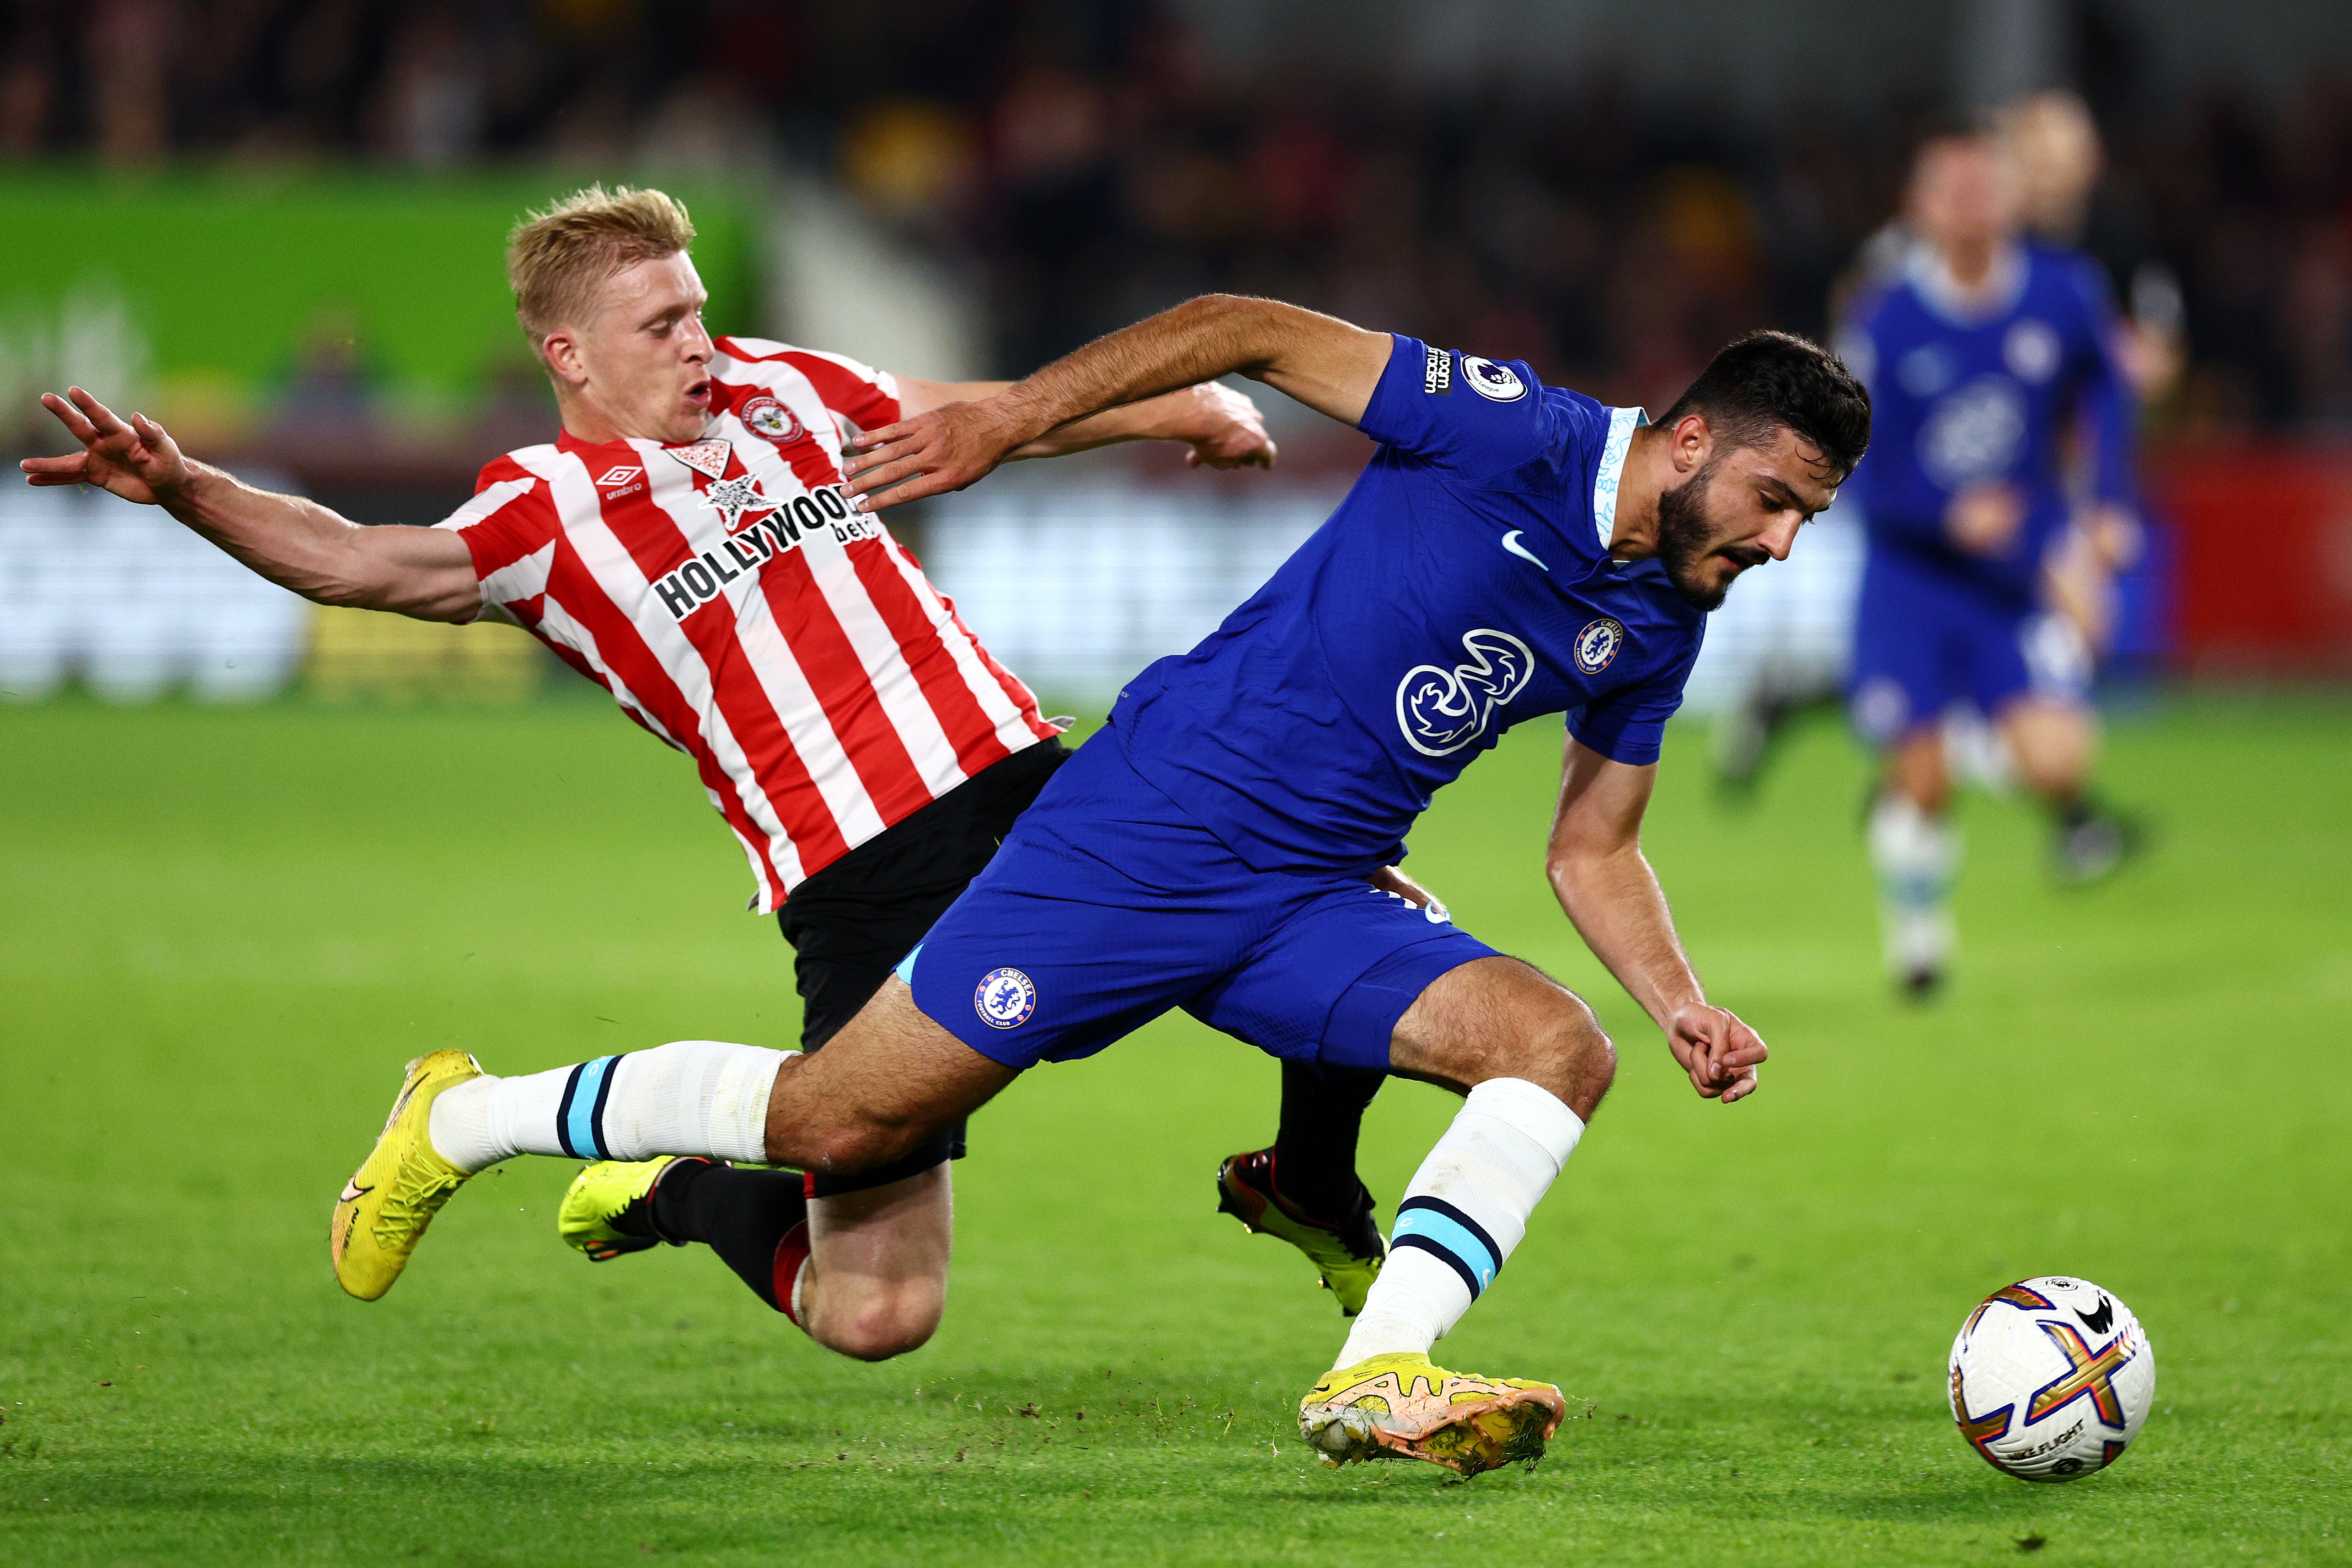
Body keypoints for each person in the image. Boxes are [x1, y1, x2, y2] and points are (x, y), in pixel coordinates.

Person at [317, 293, 1868, 1476]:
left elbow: (1590, 845)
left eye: (1808, 517)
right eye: (1776, 498)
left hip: (1308, 891)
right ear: (1687, 443)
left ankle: (1376, 1373)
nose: (1785, 541)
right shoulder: (1508, 429)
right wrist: (1011, 417)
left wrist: (1680, 1002)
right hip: (1139, 837)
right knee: (834, 1120)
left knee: (1557, 1046)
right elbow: (1241, 328)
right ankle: (461, 1117)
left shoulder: (1664, 616)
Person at [19, 185, 1404, 1360]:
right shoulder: (538, 514)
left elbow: (966, 418)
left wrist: (1165, 408)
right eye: (663, 323)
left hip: (1019, 778)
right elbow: (356, 557)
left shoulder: (778, 390)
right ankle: (680, 1191)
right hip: (853, 869)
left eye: (696, 308)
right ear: (569, 351)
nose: (701, 339)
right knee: (880, 1308)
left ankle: (1312, 1182)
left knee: (1330, 878)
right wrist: (194, 488)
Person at [1840, 131, 2145, 997]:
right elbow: (1856, 466)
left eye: (1986, 184)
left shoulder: (2062, 292)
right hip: (1909, 579)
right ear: (1919, 206)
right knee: (1926, 785)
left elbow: (2109, 393)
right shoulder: (1885, 320)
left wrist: (2109, 505)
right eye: (1953, 187)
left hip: (2012, 577)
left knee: (2059, 764)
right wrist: (1949, 511)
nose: (1971, 201)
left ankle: (1942, 731)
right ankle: (1920, 935)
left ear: (2014, 197)